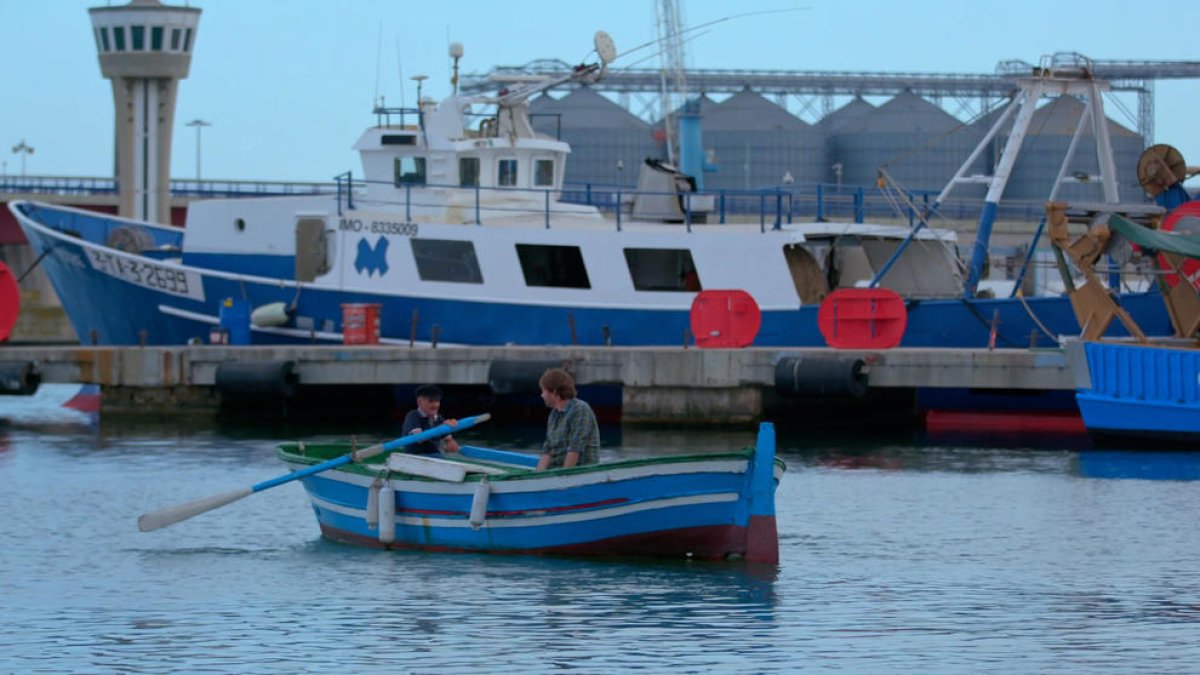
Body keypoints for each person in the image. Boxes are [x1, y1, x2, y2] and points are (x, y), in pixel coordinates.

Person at [536, 368, 599, 470]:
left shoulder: (580, 409)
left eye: (544, 391)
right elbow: (547, 450)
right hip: (554, 472)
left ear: (554, 392)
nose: (542, 395)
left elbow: (575, 448)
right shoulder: (554, 414)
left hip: (578, 473)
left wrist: (563, 478)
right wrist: (537, 476)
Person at [401, 384, 459, 456]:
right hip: (416, 455)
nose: (435, 405)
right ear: (419, 402)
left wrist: (450, 441)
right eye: (431, 401)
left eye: (437, 401)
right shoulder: (413, 416)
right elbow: (420, 438)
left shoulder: (438, 418)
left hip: (435, 454)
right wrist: (441, 427)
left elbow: (448, 440)